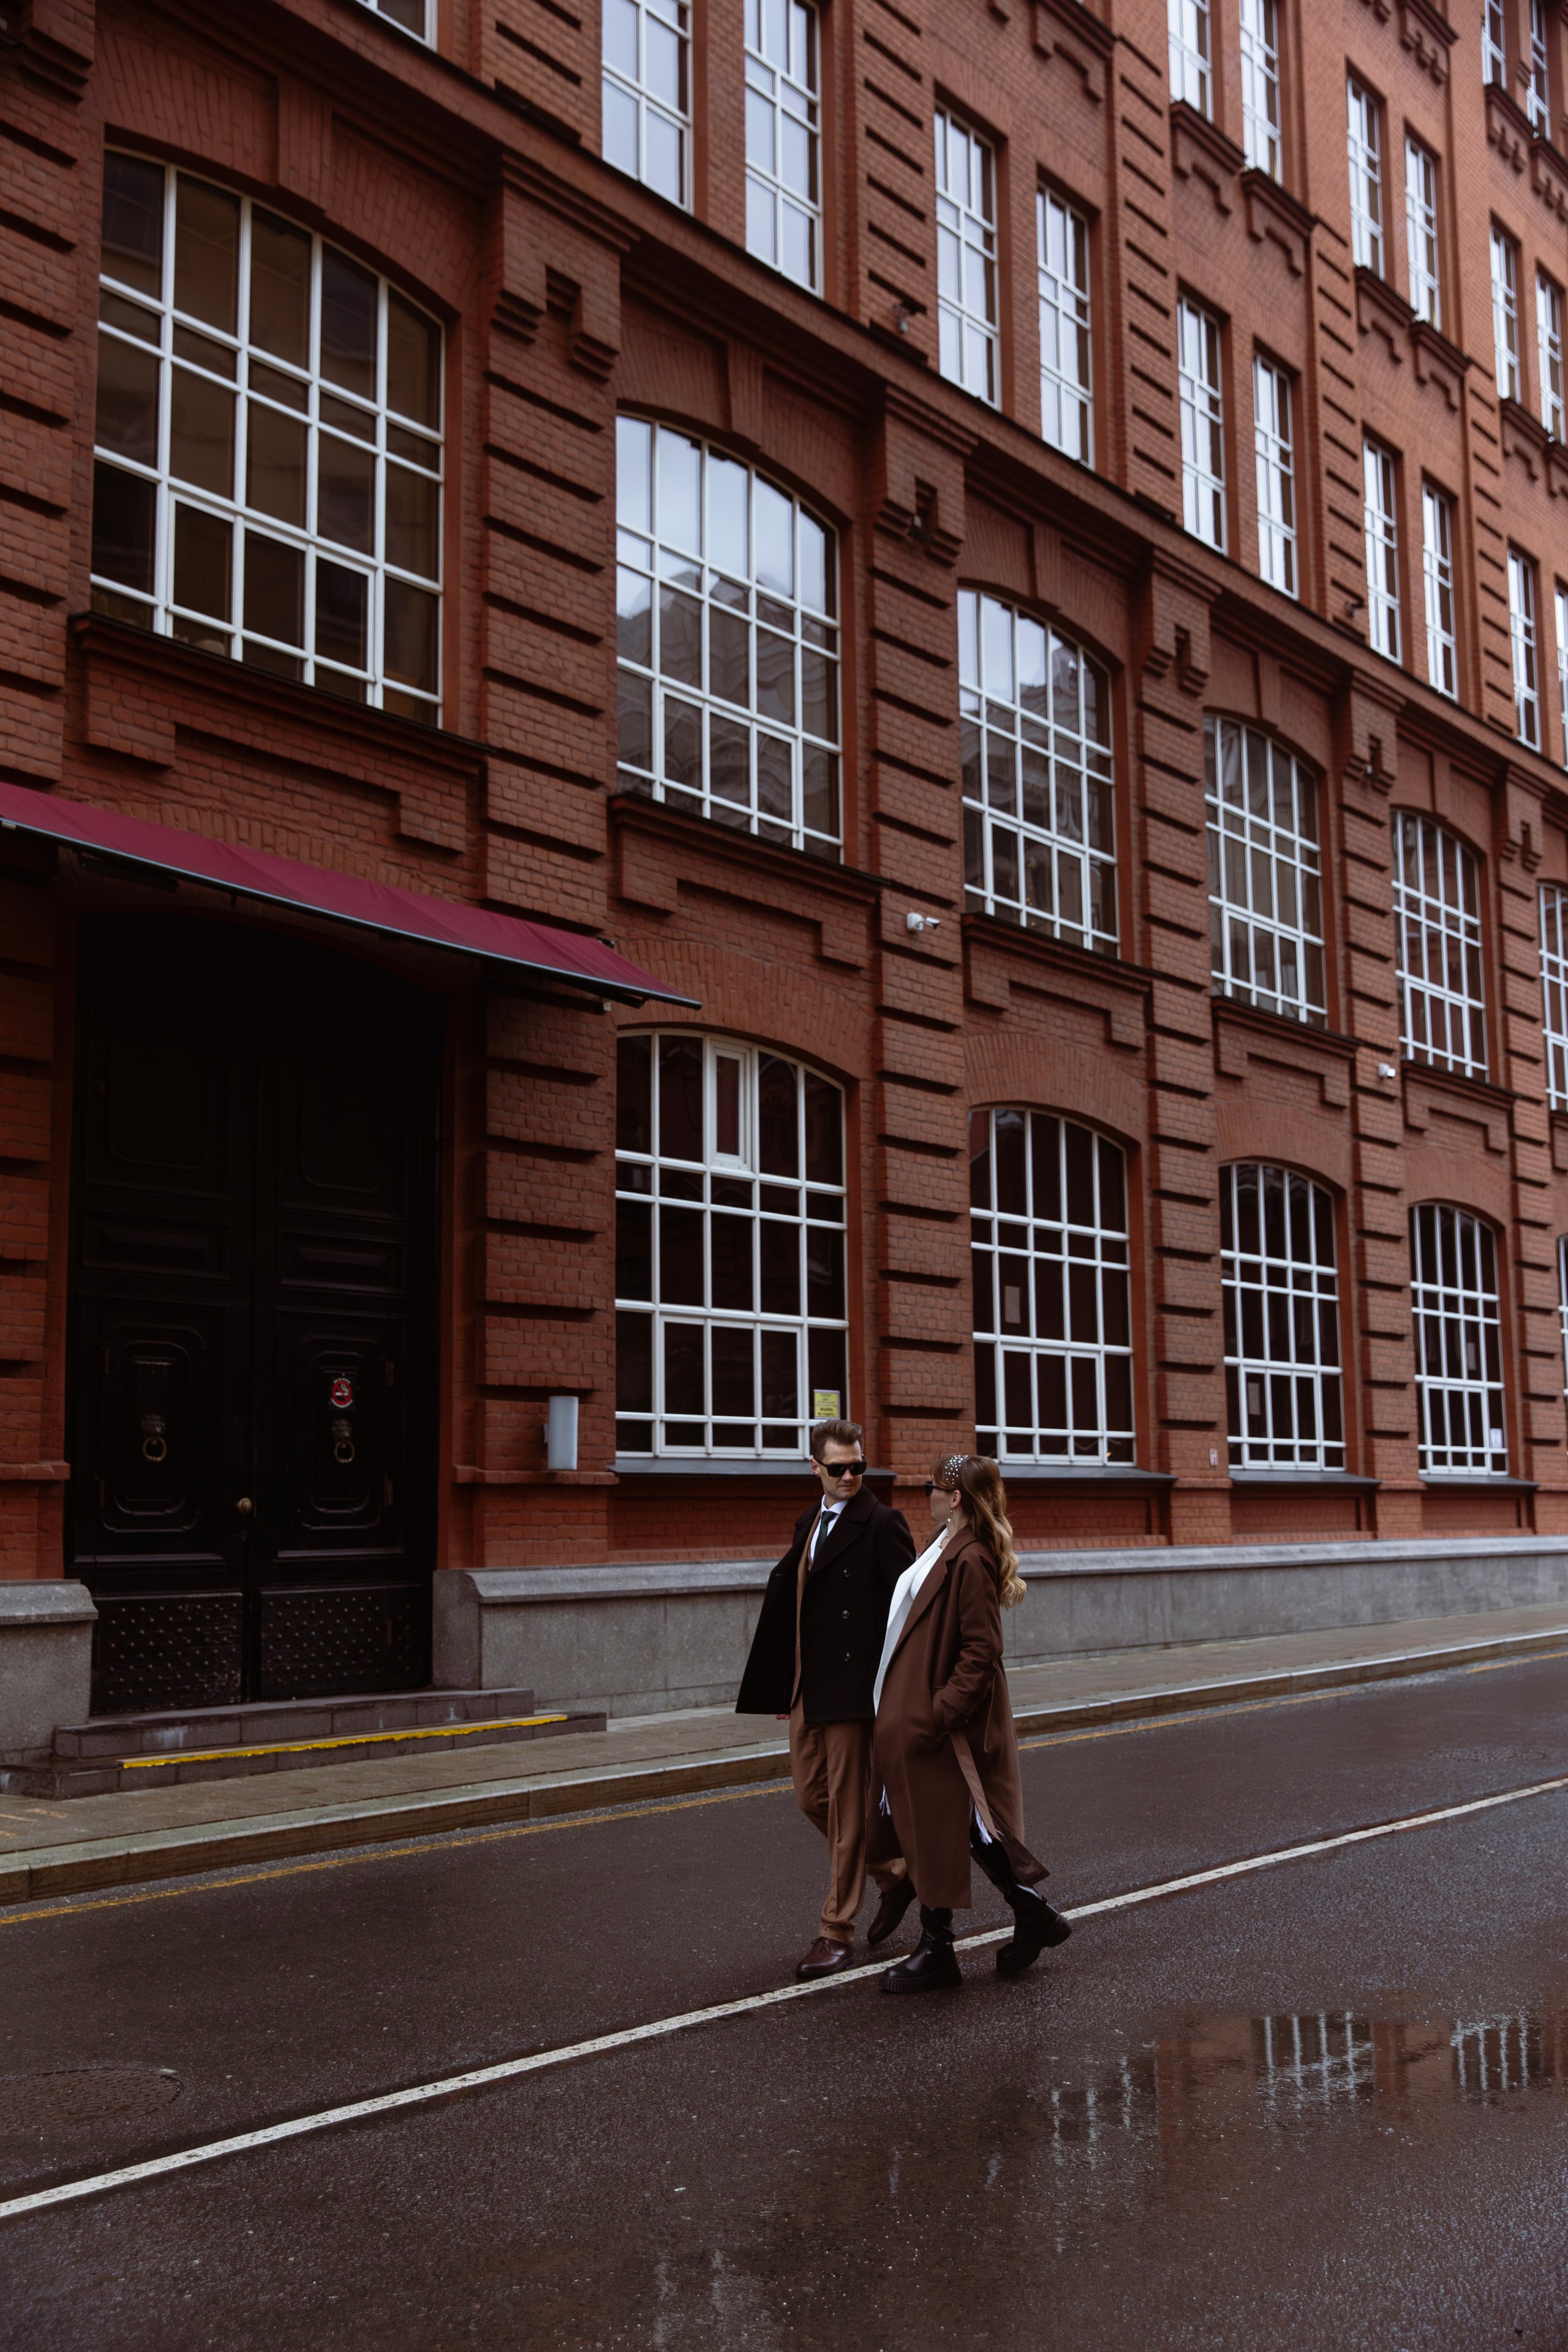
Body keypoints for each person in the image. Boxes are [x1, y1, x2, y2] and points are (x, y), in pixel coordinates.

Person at [868, 1453, 1072, 1994]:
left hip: (950, 1725)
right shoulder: (944, 1548)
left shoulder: (970, 1558)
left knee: (949, 1824)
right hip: (926, 1718)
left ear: (954, 1498)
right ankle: (1033, 1916)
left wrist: (938, 1715)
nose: (926, 1496)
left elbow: (981, 1651)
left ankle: (940, 1950)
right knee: (954, 1826)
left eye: (931, 1488)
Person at [737, 1418, 916, 1980]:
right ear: (814, 1468)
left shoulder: (882, 1523)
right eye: (838, 1468)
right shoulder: (808, 1521)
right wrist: (783, 1680)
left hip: (853, 1691)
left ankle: (835, 1930)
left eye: (857, 1467)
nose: (849, 1477)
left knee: (846, 1812)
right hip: (807, 1688)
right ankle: (893, 1873)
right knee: (812, 1799)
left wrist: (898, 1690)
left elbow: (907, 1612)